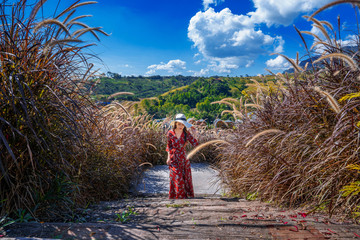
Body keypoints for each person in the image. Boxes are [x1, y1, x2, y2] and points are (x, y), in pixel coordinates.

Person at [166, 113, 199, 199]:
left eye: (183, 124)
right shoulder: (170, 133)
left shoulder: (186, 134)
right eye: (179, 124)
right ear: (175, 123)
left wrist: (195, 133)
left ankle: (182, 199)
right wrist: (168, 157)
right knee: (178, 177)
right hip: (174, 159)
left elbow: (195, 144)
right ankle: (178, 197)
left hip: (184, 159)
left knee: (184, 178)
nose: (181, 126)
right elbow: (169, 146)